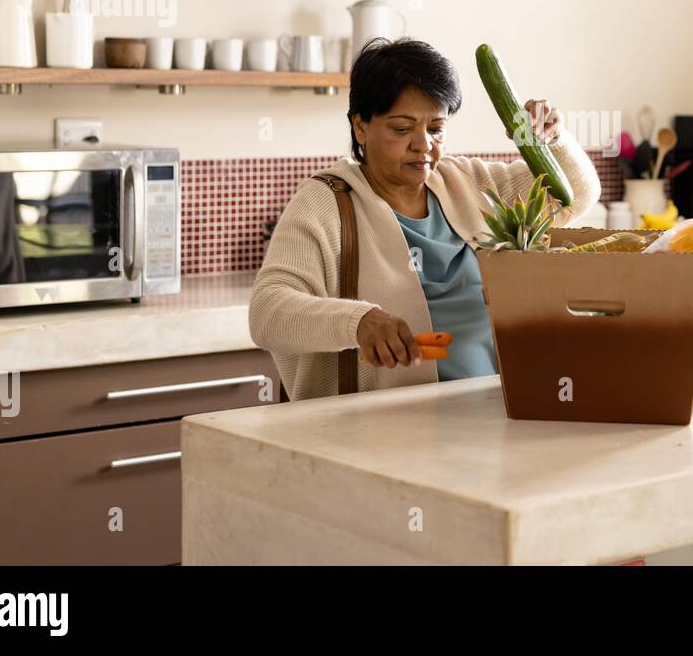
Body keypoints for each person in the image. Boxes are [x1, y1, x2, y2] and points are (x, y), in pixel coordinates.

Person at [250, 37, 600, 400]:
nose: (423, 144)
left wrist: (550, 139)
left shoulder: (466, 181)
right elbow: (268, 311)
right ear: (360, 127)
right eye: (402, 129)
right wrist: (358, 322)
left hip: (492, 418)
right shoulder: (326, 201)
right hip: (379, 433)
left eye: (436, 128)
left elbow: (573, 194)